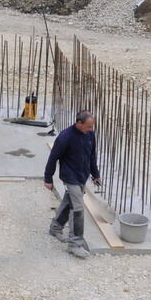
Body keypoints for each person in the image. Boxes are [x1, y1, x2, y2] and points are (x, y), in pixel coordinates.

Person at [43, 110, 102, 259]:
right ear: (79, 123)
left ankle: (55, 227)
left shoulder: (90, 135)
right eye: (88, 126)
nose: (90, 129)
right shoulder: (65, 137)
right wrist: (48, 178)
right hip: (70, 176)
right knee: (78, 208)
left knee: (69, 202)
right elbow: (53, 158)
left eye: (92, 127)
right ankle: (75, 244)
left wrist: (95, 174)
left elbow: (92, 156)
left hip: (82, 175)